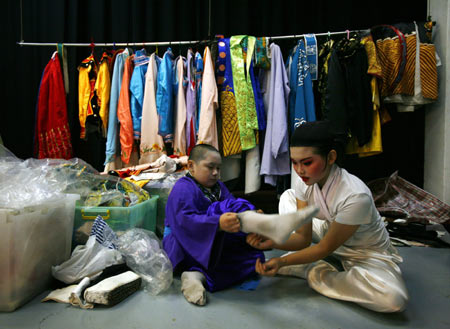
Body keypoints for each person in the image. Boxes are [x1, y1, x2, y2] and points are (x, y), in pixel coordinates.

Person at [246, 121, 409, 313]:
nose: (299, 170)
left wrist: (283, 261)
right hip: (326, 230)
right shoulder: (303, 181)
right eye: (294, 162)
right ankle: (312, 261)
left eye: (307, 162)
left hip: (364, 251)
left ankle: (314, 270)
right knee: (289, 197)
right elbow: (302, 238)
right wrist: (272, 242)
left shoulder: (356, 196)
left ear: (331, 157)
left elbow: (323, 248)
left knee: (393, 300)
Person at [162, 144, 318, 306]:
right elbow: (184, 222)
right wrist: (218, 223)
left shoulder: (218, 187)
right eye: (210, 167)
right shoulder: (183, 188)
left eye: (218, 168)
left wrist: (248, 214)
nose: (216, 173)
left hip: (210, 244)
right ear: (191, 166)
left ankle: (197, 275)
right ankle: (262, 225)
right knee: (220, 209)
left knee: (254, 259)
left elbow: (233, 206)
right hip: (184, 245)